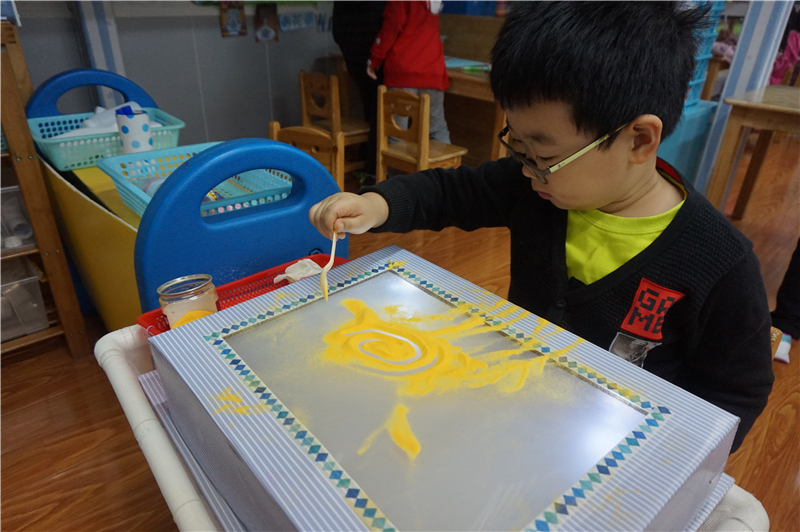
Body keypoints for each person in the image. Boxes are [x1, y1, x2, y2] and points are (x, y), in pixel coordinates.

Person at [309, 2, 774, 453]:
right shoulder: (535, 187)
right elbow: (451, 192)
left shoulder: (719, 262)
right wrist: (375, 204)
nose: (528, 169)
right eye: (519, 146)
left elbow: (735, 394)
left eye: (545, 156)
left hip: (616, 448)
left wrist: (671, 459)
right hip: (518, 406)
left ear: (638, 140)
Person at [366, 0, 451, 144]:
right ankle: (446, 159)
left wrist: (374, 59)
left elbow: (391, 28)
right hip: (433, 70)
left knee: (397, 132)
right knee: (437, 129)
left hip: (403, 71)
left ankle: (396, 161)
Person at [332, 1, 386, 179]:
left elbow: (337, 31)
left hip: (354, 59)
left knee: (371, 110)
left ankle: (366, 162)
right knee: (380, 117)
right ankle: (373, 172)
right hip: (377, 61)